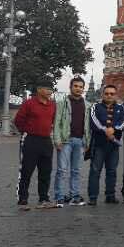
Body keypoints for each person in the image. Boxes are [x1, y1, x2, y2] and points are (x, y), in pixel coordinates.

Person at [14, 80, 57, 209]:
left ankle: (43, 199)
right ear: (39, 90)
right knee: (26, 170)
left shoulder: (52, 105)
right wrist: (27, 131)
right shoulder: (29, 103)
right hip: (31, 140)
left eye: (51, 89)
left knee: (46, 171)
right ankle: (22, 199)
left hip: (46, 141)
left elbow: (53, 120)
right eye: (47, 88)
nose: (50, 91)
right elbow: (18, 120)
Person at [52, 76, 91, 207]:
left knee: (76, 170)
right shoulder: (62, 103)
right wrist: (57, 139)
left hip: (80, 141)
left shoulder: (88, 105)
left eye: (81, 87)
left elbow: (88, 125)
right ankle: (59, 196)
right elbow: (57, 122)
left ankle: (74, 196)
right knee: (62, 170)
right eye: (76, 86)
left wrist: (87, 142)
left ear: (83, 89)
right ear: (70, 87)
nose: (78, 89)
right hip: (65, 140)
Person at [88, 85, 124, 206]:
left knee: (112, 171)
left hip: (113, 145)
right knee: (95, 171)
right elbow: (93, 121)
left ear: (115, 95)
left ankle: (110, 195)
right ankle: (93, 197)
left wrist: (114, 129)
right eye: (106, 93)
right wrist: (105, 130)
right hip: (99, 144)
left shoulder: (121, 107)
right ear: (102, 94)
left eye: (112, 94)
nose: (109, 95)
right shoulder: (95, 106)